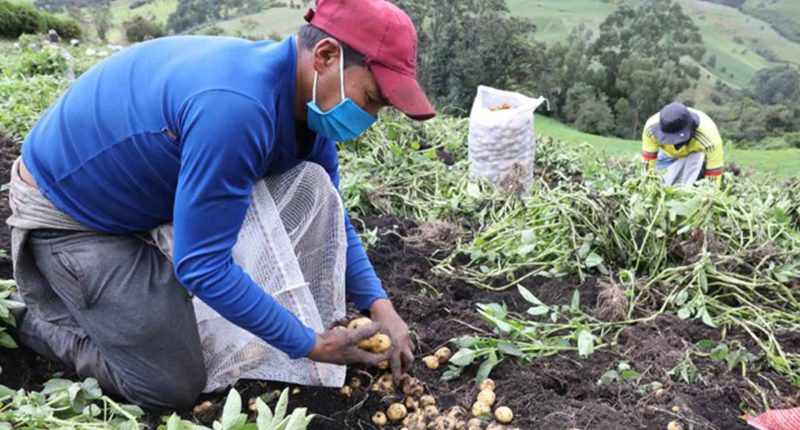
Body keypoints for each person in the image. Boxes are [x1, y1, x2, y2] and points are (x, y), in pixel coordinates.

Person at [7, 0, 434, 409]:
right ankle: (35, 323)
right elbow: (203, 264)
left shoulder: (310, 110)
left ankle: (146, 302)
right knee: (170, 385)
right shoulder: (237, 110)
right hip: (73, 217)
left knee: (306, 191)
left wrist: (381, 308)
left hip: (145, 197)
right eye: (373, 98)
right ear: (325, 55)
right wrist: (311, 345)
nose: (372, 116)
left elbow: (335, 218)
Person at [641, 102, 724, 186]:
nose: (674, 143)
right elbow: (648, 167)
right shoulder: (651, 130)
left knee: (699, 157)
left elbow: (713, 177)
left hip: (693, 157)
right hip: (665, 155)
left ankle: (687, 187)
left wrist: (708, 197)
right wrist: (648, 187)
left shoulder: (710, 137)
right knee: (662, 185)